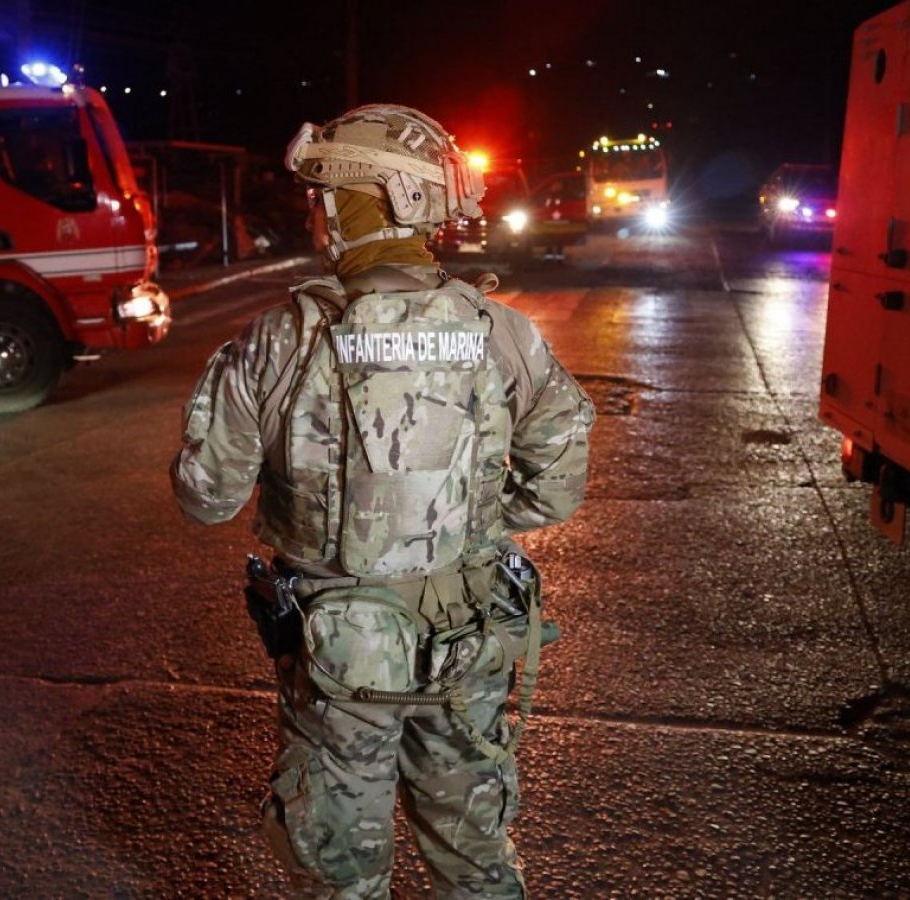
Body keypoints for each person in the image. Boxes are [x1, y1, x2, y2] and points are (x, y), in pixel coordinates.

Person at [171, 104, 594, 897]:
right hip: (470, 644)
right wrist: (464, 523)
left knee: (343, 877)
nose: (312, 210)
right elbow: (558, 486)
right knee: (475, 867)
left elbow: (206, 498)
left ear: (361, 202)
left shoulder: (279, 340)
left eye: (322, 194)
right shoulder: (504, 334)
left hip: (340, 662)